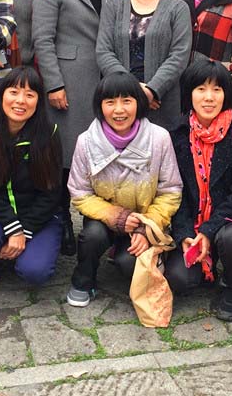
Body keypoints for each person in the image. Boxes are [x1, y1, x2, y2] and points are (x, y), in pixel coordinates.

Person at [33, 0, 119, 256]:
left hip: (102, 83)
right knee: (65, 157)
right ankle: (62, 220)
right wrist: (54, 83)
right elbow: (43, 39)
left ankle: (96, 224)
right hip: (68, 82)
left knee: (100, 154)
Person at [65, 72, 182, 307]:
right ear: (100, 106)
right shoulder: (86, 141)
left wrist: (146, 227)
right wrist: (116, 216)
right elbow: (79, 192)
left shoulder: (159, 138)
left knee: (128, 264)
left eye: (127, 101)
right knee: (92, 236)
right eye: (110, 102)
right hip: (105, 219)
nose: (119, 110)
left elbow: (170, 190)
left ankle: (127, 252)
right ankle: (83, 280)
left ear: (139, 103)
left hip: (145, 219)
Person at [164, 60, 232, 322]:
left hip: (229, 219)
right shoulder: (178, 132)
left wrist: (208, 230)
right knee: (180, 278)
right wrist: (185, 234)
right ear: (189, 94)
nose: (209, 97)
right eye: (201, 89)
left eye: (217, 89)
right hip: (192, 223)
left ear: (226, 94)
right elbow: (174, 190)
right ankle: (208, 265)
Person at [0, 66, 63, 300]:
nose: (20, 101)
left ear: (38, 101)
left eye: (30, 94)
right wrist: (13, 228)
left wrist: (25, 230)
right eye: (14, 92)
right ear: (2, 94)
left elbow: (52, 191)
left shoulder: (48, 133)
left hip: (39, 217)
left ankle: (24, 251)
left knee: (35, 271)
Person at [96, 0, 191, 130]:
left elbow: (179, 56)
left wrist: (152, 90)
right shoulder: (113, 7)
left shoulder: (178, 8)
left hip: (162, 102)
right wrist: (133, 91)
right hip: (119, 102)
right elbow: (104, 52)